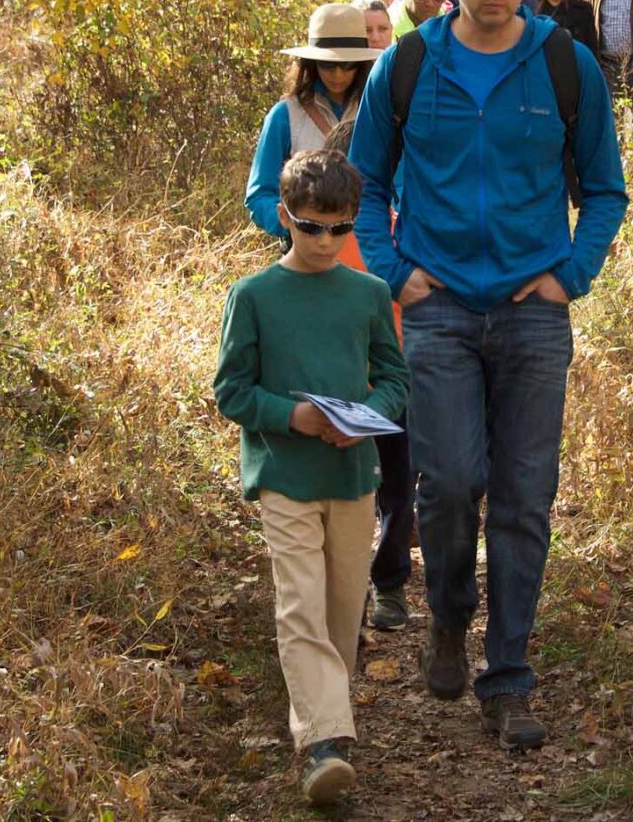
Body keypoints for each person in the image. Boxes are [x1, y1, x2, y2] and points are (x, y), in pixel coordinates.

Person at [348, 0, 629, 751]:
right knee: (451, 481)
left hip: (531, 316)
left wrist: (569, 275)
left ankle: (507, 678)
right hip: (437, 315)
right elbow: (363, 185)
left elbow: (606, 190)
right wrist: (399, 274)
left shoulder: (563, 66)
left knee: (523, 499)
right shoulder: (404, 67)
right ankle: (447, 618)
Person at [213, 148, 409, 806]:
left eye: (340, 228)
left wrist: (369, 417)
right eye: (311, 225)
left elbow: (394, 378)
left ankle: (326, 723)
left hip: (353, 475)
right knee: (300, 606)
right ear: (284, 217)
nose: (326, 241)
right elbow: (232, 391)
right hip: (283, 474)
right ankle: (323, 745)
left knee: (339, 609)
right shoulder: (254, 296)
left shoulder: (369, 294)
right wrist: (293, 416)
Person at [324, 117, 413, 632]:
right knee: (348, 492)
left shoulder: (404, 229)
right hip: (339, 387)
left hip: (399, 381)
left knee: (399, 488)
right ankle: (347, 591)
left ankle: (391, 584)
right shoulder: (322, 237)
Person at [245, 4, 379, 241]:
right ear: (311, 63)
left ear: (362, 64)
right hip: (304, 253)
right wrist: (298, 227)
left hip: (368, 249)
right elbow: (259, 195)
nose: (338, 73)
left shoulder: (378, 111)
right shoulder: (285, 116)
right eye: (328, 64)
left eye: (347, 65)